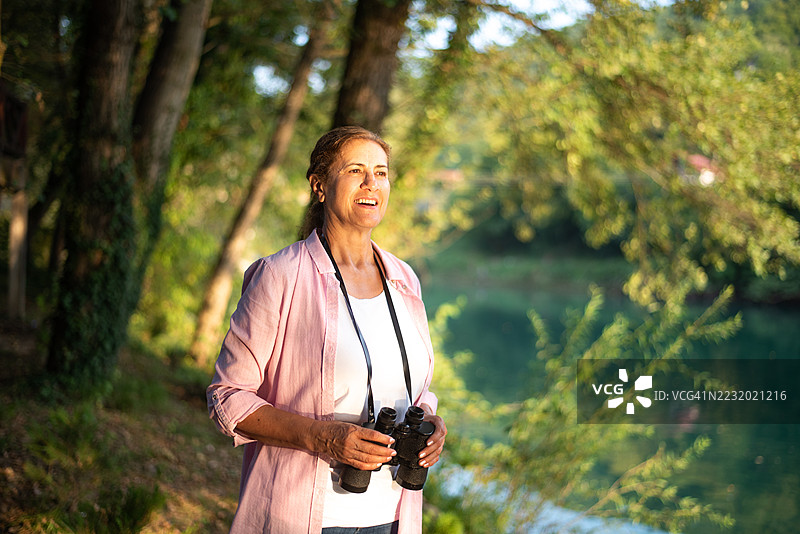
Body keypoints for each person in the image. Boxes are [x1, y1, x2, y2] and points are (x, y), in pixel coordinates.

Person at [207, 126, 447, 534]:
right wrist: (324, 438)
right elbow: (227, 398)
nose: (372, 183)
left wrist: (429, 421)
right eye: (355, 170)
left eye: (381, 172)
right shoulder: (280, 275)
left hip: (394, 516)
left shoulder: (404, 279)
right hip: (306, 517)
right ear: (319, 186)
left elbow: (414, 388)